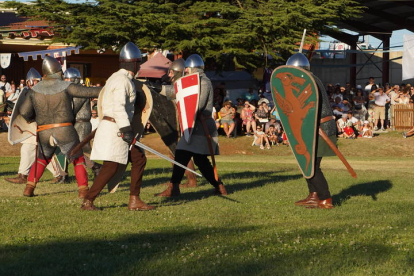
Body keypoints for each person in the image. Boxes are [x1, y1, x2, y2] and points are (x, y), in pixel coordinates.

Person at [81, 42, 155, 211]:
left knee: (138, 159)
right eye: (139, 63)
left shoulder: (115, 77)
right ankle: (88, 200)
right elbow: (119, 107)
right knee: (111, 166)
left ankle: (134, 199)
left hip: (115, 126)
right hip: (116, 128)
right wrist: (126, 130)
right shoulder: (122, 81)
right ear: (134, 63)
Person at [19, 56, 101, 198]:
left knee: (41, 159)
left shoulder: (35, 90)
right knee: (78, 158)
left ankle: (29, 188)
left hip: (43, 131)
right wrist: (111, 88)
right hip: (64, 130)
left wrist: (33, 119)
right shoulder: (65, 86)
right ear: (58, 71)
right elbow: (90, 92)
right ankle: (83, 191)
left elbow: (24, 112)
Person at [155, 54, 227, 197]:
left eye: (187, 69)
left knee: (189, 157)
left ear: (192, 68)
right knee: (191, 158)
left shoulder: (203, 81)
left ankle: (174, 188)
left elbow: (196, 104)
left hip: (201, 125)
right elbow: (177, 93)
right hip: (194, 125)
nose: (185, 71)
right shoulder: (191, 82)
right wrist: (157, 88)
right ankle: (217, 187)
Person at [283, 53, 337, 209]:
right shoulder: (310, 79)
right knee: (305, 163)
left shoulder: (309, 81)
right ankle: (314, 196)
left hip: (320, 127)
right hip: (314, 127)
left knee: (311, 166)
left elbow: (308, 107)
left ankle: (326, 198)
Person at [5, 68, 63, 184]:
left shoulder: (46, 92)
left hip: (44, 125)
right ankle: (23, 175)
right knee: (30, 148)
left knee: (42, 151)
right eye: (30, 82)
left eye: (34, 81)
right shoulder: (27, 92)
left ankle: (59, 174)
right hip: (31, 126)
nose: (32, 84)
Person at [64, 68, 102, 178]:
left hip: (81, 124)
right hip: (75, 124)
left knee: (81, 149)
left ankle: (97, 167)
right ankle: (63, 174)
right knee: (69, 148)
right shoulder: (73, 91)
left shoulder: (79, 91)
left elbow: (73, 109)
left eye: (67, 79)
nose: (65, 81)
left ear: (74, 80)